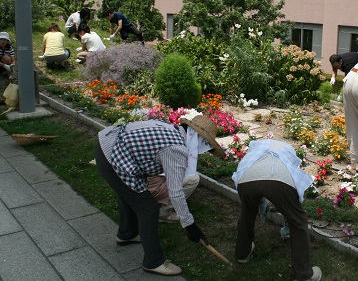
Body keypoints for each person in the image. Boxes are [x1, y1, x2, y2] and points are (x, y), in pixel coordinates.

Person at [95, 114, 224, 276]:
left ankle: (127, 233)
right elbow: (175, 192)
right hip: (112, 155)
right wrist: (190, 226)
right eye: (205, 148)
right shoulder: (176, 148)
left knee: (129, 194)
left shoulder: (172, 130)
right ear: (198, 140)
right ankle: (153, 261)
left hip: (108, 145)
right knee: (148, 207)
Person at [232, 139, 321, 281]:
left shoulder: (254, 152)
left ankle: (243, 253)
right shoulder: (287, 150)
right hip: (279, 180)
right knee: (298, 220)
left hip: (246, 179)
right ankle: (304, 274)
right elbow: (291, 173)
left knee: (247, 213)